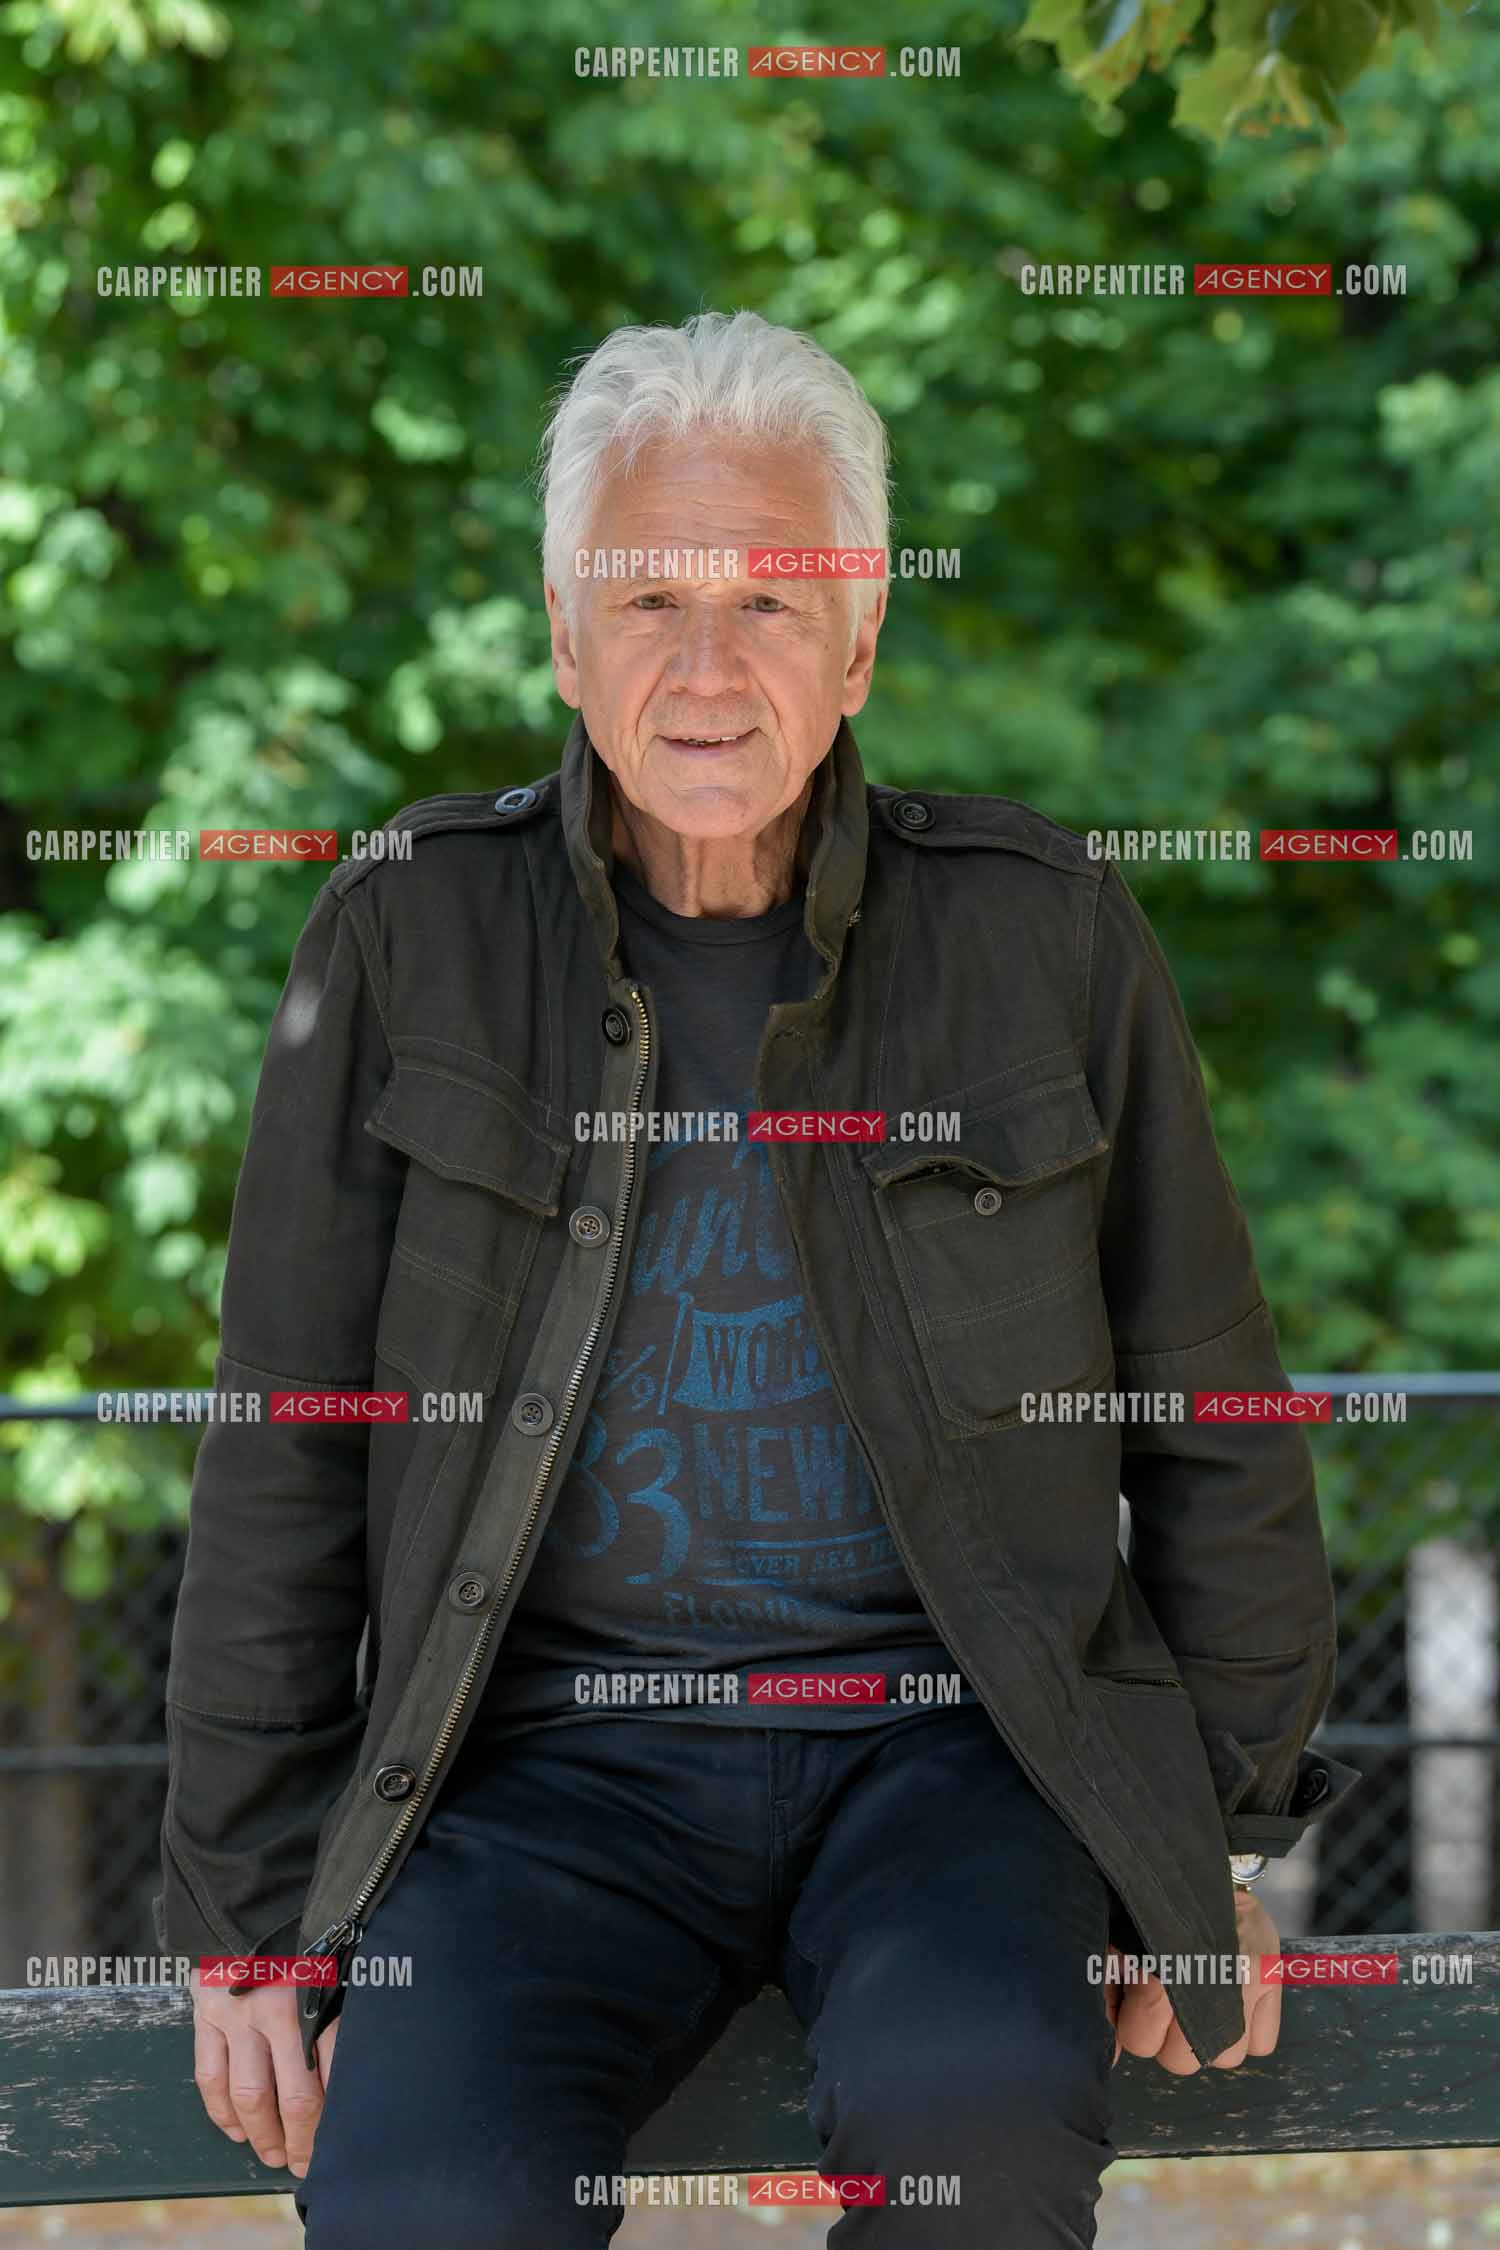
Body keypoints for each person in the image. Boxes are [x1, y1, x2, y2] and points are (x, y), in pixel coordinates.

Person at [159, 309, 1361, 2247]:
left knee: (977, 2123)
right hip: (541, 1768)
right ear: (566, 636)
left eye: (774, 602)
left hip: (952, 1752)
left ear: (860, 642)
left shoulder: (1039, 934)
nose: (707, 668)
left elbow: (1210, 1402)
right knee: (426, 2202)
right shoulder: (407, 933)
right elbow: (287, 1442)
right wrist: (244, 1913)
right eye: (648, 599)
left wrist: (1206, 1839)